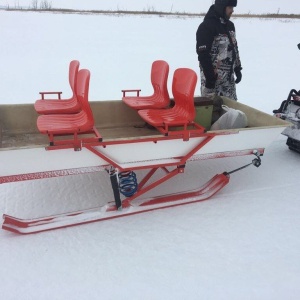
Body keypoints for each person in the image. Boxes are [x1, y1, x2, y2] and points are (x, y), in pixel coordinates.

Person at [196, 0, 242, 101]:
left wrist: (237, 68)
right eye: (230, 7)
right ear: (222, 7)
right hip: (212, 83)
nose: (232, 10)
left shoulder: (230, 26)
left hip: (228, 82)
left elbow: (234, 48)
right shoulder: (206, 26)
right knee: (211, 112)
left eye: (233, 8)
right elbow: (203, 55)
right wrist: (210, 78)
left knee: (231, 111)